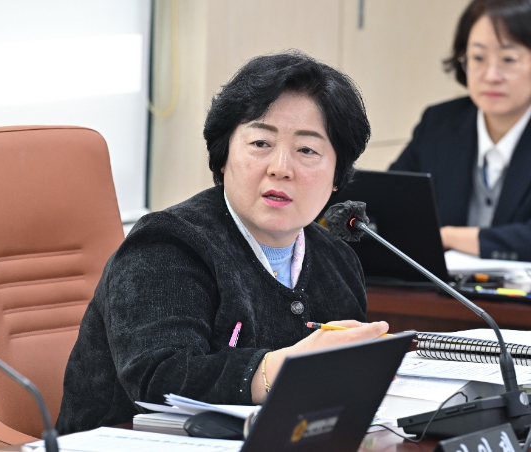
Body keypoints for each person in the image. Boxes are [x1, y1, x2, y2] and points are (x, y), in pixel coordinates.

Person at [56, 51, 389, 434]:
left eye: (307, 150)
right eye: (261, 143)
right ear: (223, 154)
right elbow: (159, 379)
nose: (281, 168)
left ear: (337, 176)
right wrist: (279, 369)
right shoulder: (166, 244)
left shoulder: (337, 261)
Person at [390, 0, 531, 261]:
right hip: (439, 287)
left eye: (508, 59)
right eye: (478, 58)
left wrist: (450, 237)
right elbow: (390, 205)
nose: (491, 75)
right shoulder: (438, 124)